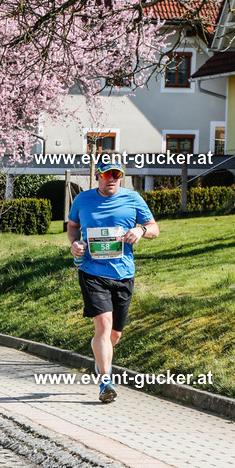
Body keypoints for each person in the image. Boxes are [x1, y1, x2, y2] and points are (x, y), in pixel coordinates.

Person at [67, 161, 159, 403]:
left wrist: (140, 231)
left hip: (123, 274)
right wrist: (74, 243)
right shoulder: (83, 200)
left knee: (114, 335)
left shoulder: (133, 199)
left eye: (117, 174)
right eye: (107, 174)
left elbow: (154, 228)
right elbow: (73, 227)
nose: (112, 179)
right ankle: (106, 381)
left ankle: (100, 360)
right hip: (92, 271)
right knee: (103, 325)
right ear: (98, 176)